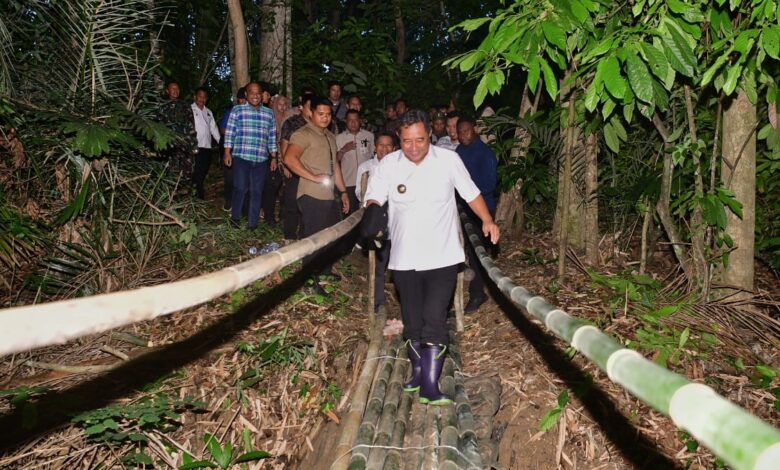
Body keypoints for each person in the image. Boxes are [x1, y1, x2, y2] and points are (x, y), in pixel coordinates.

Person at [364, 109, 499, 406]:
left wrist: (487, 220)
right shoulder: (389, 165)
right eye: (408, 141)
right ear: (399, 138)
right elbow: (375, 196)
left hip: (443, 255)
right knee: (412, 320)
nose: (414, 147)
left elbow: (471, 193)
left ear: (429, 136)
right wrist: (372, 214)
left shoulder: (448, 160)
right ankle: (417, 372)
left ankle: (430, 384)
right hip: (403, 256)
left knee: (435, 318)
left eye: (421, 140)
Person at [283, 98, 350, 290]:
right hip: (311, 194)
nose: (325, 118)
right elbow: (289, 158)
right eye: (321, 114)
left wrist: (343, 191)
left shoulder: (329, 136)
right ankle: (309, 280)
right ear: (311, 113)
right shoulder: (303, 134)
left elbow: (334, 165)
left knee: (330, 236)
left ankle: (324, 272)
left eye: (328, 114)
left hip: (329, 195)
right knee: (313, 238)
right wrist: (313, 176)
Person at [456, 116, 498, 313]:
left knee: (477, 252)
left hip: (481, 209)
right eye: (460, 132)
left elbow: (489, 184)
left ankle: (477, 294)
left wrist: (468, 193)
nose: (463, 135)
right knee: (468, 252)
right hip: (463, 209)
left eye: (467, 131)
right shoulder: (458, 152)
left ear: (474, 130)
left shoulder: (485, 153)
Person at [223, 82, 278, 230]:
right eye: (251, 92)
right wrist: (227, 152)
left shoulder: (268, 113)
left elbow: (272, 136)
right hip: (241, 156)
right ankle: (235, 218)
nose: (255, 95)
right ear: (246, 95)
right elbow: (230, 132)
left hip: (261, 159)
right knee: (240, 188)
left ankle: (252, 224)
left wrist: (274, 157)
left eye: (258, 93)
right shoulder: (237, 110)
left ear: (262, 95)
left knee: (257, 191)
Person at [355, 131, 398, 313]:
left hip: (398, 224)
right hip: (378, 224)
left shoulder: (401, 166)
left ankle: (405, 301)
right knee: (379, 265)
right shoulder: (366, 168)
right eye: (381, 145)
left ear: (394, 148)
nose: (385, 149)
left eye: (389, 145)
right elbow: (360, 193)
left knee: (401, 264)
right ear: (375, 147)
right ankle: (378, 303)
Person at [278, 92, 315, 240]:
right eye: (309, 107)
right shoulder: (291, 123)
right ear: (301, 108)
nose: (312, 110)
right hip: (294, 169)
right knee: (291, 203)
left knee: (308, 205)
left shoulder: (318, 125)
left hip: (312, 171)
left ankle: (304, 236)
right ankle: (289, 236)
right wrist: (286, 166)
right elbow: (284, 143)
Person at [262, 95, 293, 226]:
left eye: (285, 104)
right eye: (280, 104)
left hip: (284, 158)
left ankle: (283, 215)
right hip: (271, 156)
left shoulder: (288, 120)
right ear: (274, 104)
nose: (283, 107)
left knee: (285, 188)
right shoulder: (269, 118)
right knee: (272, 186)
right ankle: (269, 216)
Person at [336, 109, 374, 215]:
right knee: (350, 214)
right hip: (348, 182)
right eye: (350, 120)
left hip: (366, 181)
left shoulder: (369, 136)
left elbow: (373, 157)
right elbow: (335, 160)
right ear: (345, 121)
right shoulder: (339, 138)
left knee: (367, 212)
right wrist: (344, 149)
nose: (353, 123)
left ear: (360, 121)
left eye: (356, 120)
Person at [158, 81, 197, 180]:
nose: (175, 91)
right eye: (173, 88)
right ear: (167, 91)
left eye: (177, 89)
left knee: (188, 173)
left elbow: (191, 125)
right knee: (172, 174)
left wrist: (194, 145)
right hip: (171, 146)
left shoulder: (185, 106)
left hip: (186, 145)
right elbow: (159, 127)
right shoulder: (162, 107)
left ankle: (188, 193)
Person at [219, 87, 247, 212]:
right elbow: (223, 130)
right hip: (231, 149)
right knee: (230, 177)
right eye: (241, 99)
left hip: (245, 151)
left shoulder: (252, 113)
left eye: (245, 99)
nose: (243, 102)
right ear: (238, 100)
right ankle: (229, 201)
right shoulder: (231, 112)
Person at [191, 87, 221, 199]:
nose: (202, 99)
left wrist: (221, 142)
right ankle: (198, 196)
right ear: (195, 97)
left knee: (203, 171)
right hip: (194, 146)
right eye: (200, 96)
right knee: (195, 171)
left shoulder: (208, 112)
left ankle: (197, 192)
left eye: (204, 97)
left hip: (207, 147)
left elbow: (213, 128)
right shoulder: (190, 110)